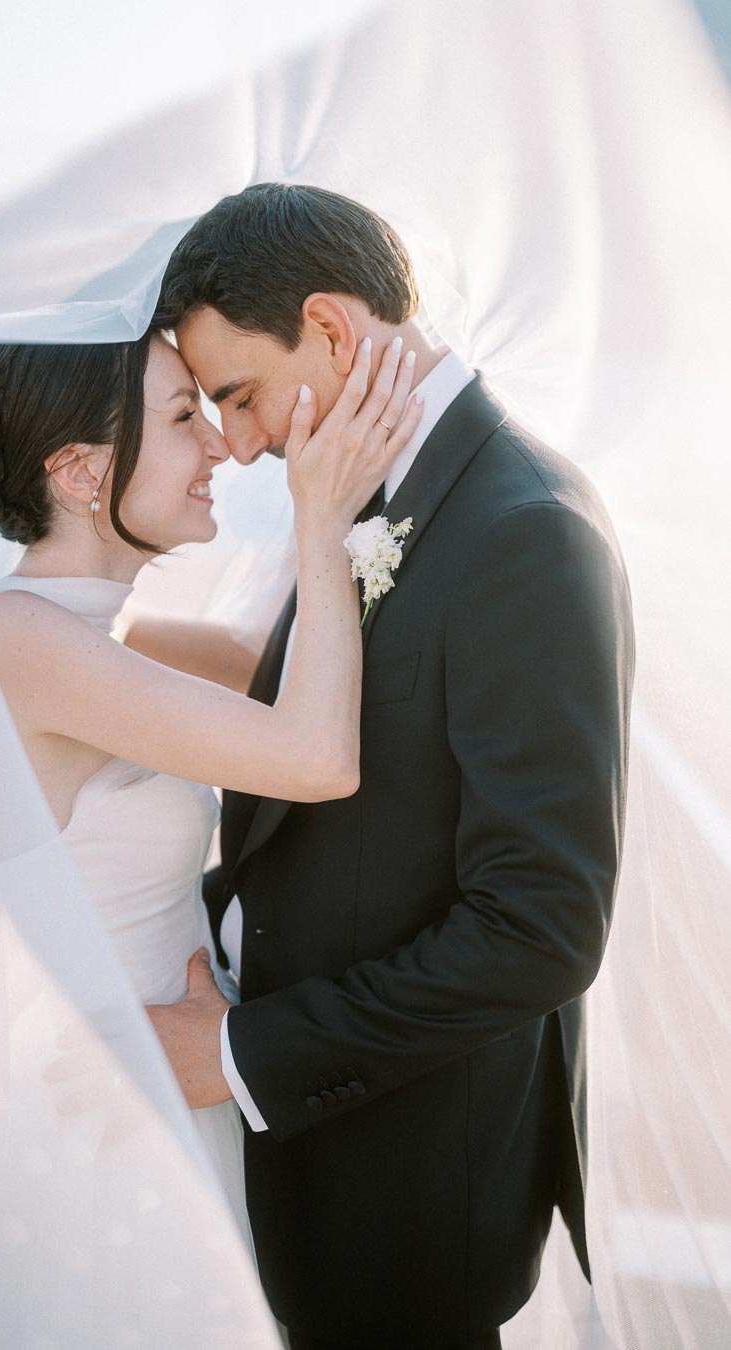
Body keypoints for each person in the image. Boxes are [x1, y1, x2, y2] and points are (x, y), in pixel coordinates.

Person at [146, 182, 636, 1350]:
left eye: (241, 395)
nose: (245, 442)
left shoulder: (527, 529)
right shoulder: (359, 500)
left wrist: (235, 1053)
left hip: (410, 1187)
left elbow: (541, 926)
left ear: (329, 326)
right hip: (317, 1153)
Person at [0, 325, 421, 1252]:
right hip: (105, 1124)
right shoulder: (16, 644)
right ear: (78, 472)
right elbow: (315, 757)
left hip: (164, 1086)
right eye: (186, 414)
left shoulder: (100, 639)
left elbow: (248, 670)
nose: (223, 446)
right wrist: (320, 513)